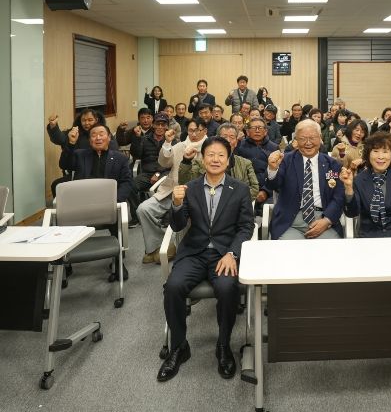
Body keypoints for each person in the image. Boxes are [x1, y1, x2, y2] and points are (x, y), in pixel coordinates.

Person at [158, 136, 255, 383]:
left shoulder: (240, 189)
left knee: (227, 288)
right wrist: (176, 204)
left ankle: (223, 345)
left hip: (224, 254)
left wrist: (233, 254)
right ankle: (179, 346)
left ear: (228, 160)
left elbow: (246, 227)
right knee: (173, 287)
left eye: (221, 155)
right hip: (194, 252)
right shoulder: (190, 188)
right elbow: (177, 225)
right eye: (210, 154)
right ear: (202, 158)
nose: (215, 159)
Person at [59, 124, 132, 280]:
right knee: (60, 219)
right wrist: (70, 143)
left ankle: (118, 261)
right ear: (89, 139)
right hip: (82, 206)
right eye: (93, 135)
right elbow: (64, 164)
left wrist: (115, 201)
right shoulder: (80, 155)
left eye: (101, 134)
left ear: (109, 137)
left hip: (108, 206)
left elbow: (127, 182)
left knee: (119, 217)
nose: (98, 138)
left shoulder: (120, 158)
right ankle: (65, 265)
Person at [136, 117, 208, 265]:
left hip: (196, 196)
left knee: (186, 218)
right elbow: (164, 162)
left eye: (197, 130)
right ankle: (157, 246)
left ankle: (175, 248)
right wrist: (168, 143)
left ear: (205, 131)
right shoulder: (180, 146)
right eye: (191, 131)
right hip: (170, 191)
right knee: (143, 209)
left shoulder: (210, 147)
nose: (194, 134)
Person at [266, 120, 345, 240]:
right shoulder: (285, 160)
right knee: (287, 250)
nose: (308, 143)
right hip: (290, 221)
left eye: (312, 138)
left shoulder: (332, 164)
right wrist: (272, 169)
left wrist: (327, 220)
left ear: (320, 138)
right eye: (302, 138)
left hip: (323, 219)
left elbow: (339, 197)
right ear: (296, 140)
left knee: (329, 249)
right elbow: (273, 185)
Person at [340, 132, 391, 237]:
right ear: (368, 154)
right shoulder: (359, 180)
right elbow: (352, 213)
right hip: (370, 237)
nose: (380, 157)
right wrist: (349, 188)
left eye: (385, 152)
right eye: (375, 151)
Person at [235, 117, 279, 210]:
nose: (257, 131)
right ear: (247, 132)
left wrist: (266, 191)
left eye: (260, 128)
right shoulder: (239, 146)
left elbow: (277, 174)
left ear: (265, 131)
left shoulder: (274, 148)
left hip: (267, 191)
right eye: (254, 128)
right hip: (244, 189)